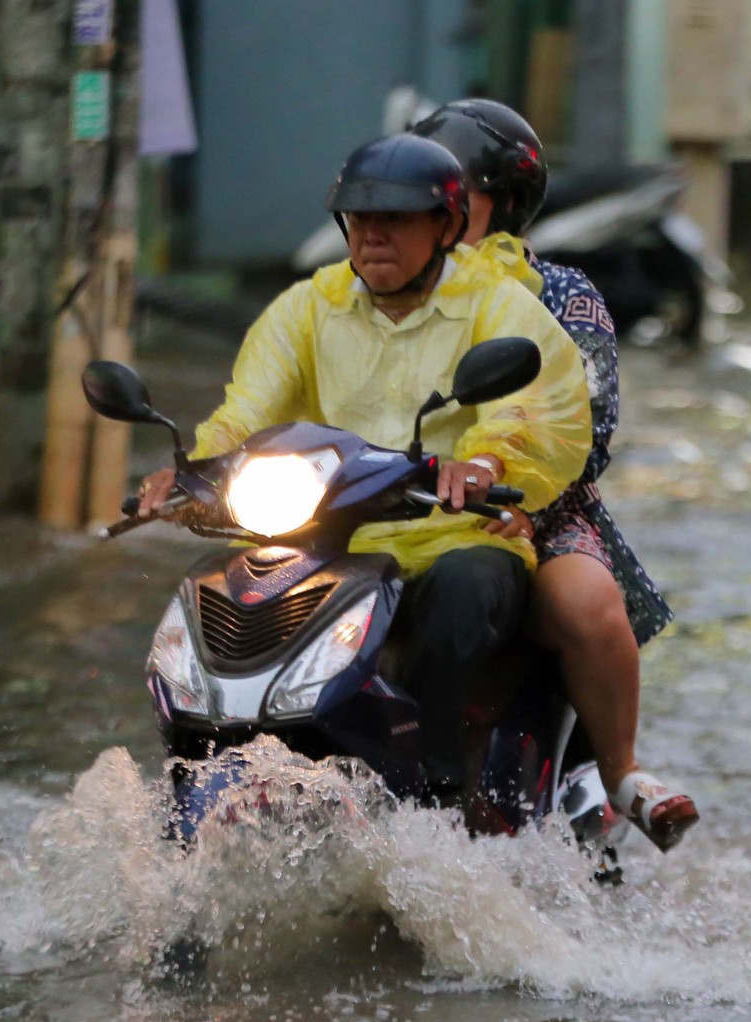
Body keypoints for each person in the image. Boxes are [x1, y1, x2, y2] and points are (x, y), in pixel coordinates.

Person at [135, 134, 592, 808]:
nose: (373, 234)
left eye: (396, 218)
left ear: (447, 226)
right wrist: (194, 473)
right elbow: (246, 409)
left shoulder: (499, 306)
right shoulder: (305, 308)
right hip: (325, 537)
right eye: (360, 219)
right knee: (223, 595)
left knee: (465, 591)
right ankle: (199, 767)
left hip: (452, 534)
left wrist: (485, 460)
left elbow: (536, 404)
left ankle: (433, 790)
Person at [411, 99, 700, 852]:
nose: (426, 212)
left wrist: (513, 494)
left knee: (586, 596)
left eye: (450, 196)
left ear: (499, 205)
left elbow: (588, 428)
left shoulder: (563, 296)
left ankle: (622, 772)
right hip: (387, 502)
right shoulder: (367, 293)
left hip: (529, 507)